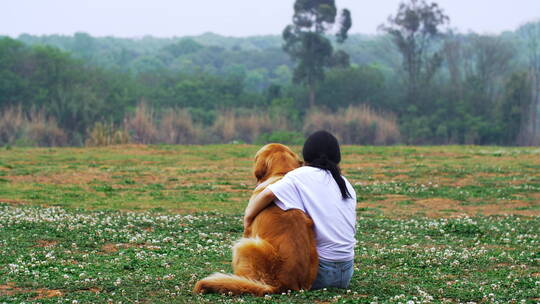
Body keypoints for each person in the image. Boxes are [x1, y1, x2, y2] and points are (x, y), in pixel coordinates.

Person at [243, 130, 357, 290]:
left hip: (318, 273)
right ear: (337, 158)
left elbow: (268, 193)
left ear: (306, 156)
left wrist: (248, 216)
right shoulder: (345, 183)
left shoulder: (298, 176)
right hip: (345, 273)